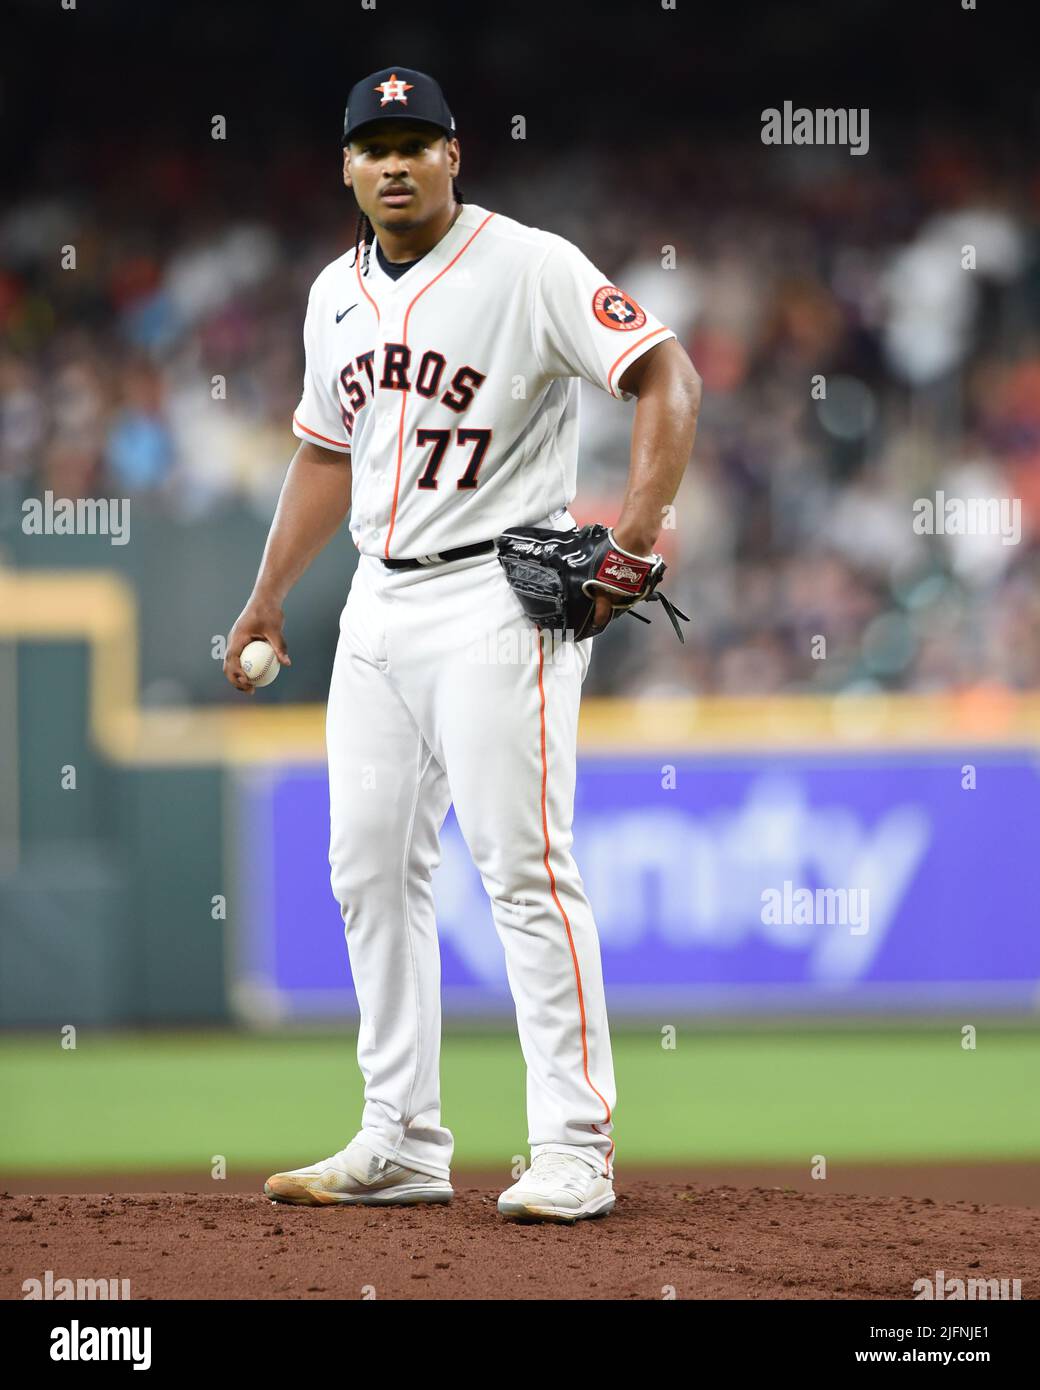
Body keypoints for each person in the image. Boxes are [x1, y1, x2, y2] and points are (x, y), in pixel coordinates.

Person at [224, 66, 701, 1222]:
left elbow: (663, 374)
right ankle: (401, 1137)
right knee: (368, 868)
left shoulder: (526, 262)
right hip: (374, 609)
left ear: (454, 155)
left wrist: (634, 533)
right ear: (344, 166)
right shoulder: (331, 292)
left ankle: (573, 1145)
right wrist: (267, 593)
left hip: (498, 596)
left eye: (415, 141)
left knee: (522, 867)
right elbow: (326, 454)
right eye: (373, 144)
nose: (394, 161)